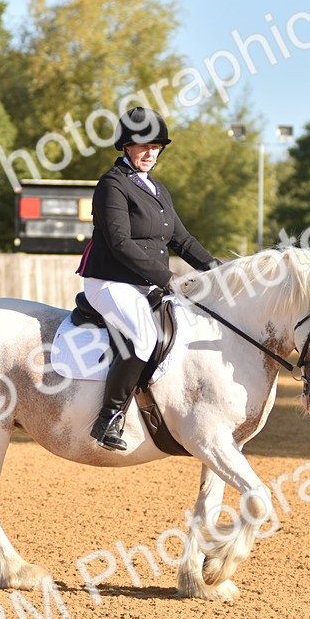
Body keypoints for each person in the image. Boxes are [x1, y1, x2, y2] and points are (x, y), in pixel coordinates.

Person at [76, 107, 219, 451]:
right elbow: (119, 242)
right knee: (143, 336)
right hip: (110, 282)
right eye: (143, 146)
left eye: (156, 147)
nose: (149, 153)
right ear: (126, 147)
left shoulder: (157, 189)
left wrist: (217, 268)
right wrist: (167, 277)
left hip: (146, 284)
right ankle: (108, 417)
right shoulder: (112, 185)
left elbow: (180, 239)